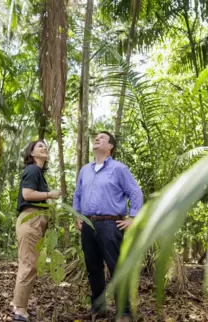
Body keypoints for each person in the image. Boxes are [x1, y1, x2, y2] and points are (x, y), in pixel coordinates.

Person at [73, 131, 143, 322]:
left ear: (110, 146)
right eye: (96, 137)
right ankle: (98, 309)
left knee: (116, 268)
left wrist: (133, 218)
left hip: (111, 224)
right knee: (93, 268)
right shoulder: (84, 170)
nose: (97, 138)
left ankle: (125, 311)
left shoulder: (119, 169)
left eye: (102, 137)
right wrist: (77, 215)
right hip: (88, 225)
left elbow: (135, 192)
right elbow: (77, 195)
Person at [12, 140, 61, 322]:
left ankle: (19, 305)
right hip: (30, 219)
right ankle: (19, 311)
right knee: (29, 265)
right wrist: (50, 195)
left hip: (35, 220)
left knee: (29, 264)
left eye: (45, 146)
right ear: (32, 153)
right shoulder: (32, 169)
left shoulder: (37, 172)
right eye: (39, 146)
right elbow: (27, 194)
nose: (44, 147)